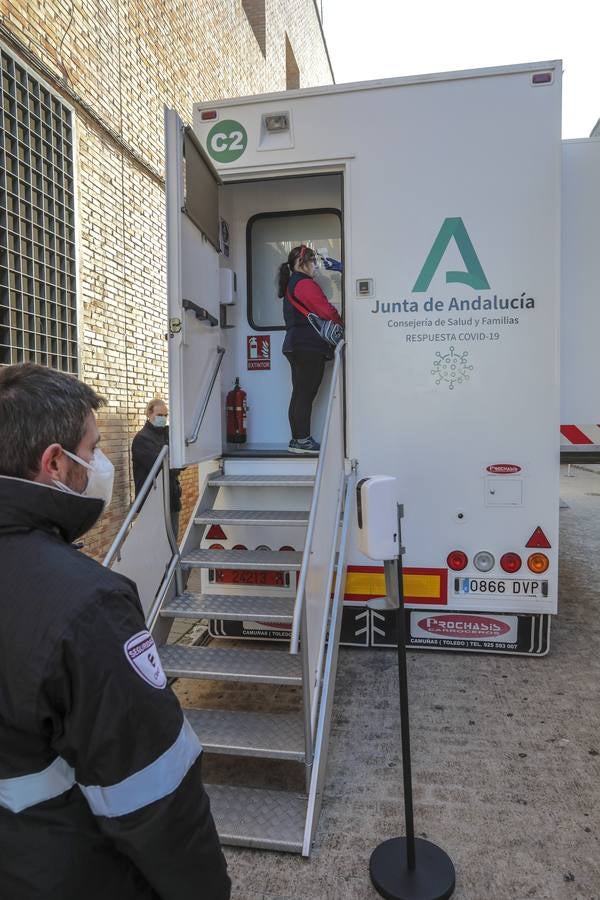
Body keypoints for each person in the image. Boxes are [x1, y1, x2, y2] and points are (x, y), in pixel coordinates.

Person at [0, 364, 230, 900]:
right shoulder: (88, 605)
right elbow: (154, 795)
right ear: (55, 463)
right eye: (93, 447)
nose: (100, 463)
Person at [277, 244, 343, 454]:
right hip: (308, 346)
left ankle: (298, 439)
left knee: (300, 393)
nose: (315, 266)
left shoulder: (292, 284)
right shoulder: (304, 284)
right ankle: (301, 441)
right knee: (305, 394)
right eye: (313, 261)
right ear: (301, 263)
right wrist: (341, 323)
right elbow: (325, 310)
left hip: (296, 344)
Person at [132, 398, 182, 539]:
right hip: (152, 503)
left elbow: (181, 460)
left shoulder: (169, 434)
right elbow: (162, 466)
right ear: (149, 414)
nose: (163, 419)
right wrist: (176, 464)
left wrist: (177, 464)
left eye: (166, 415)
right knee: (155, 544)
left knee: (172, 543)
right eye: (159, 415)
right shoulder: (142, 439)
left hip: (171, 500)